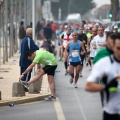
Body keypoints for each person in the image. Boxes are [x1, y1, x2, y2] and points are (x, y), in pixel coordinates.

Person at [85, 34, 120, 120]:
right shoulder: (105, 63)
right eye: (119, 48)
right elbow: (88, 86)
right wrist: (106, 86)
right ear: (113, 47)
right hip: (112, 113)